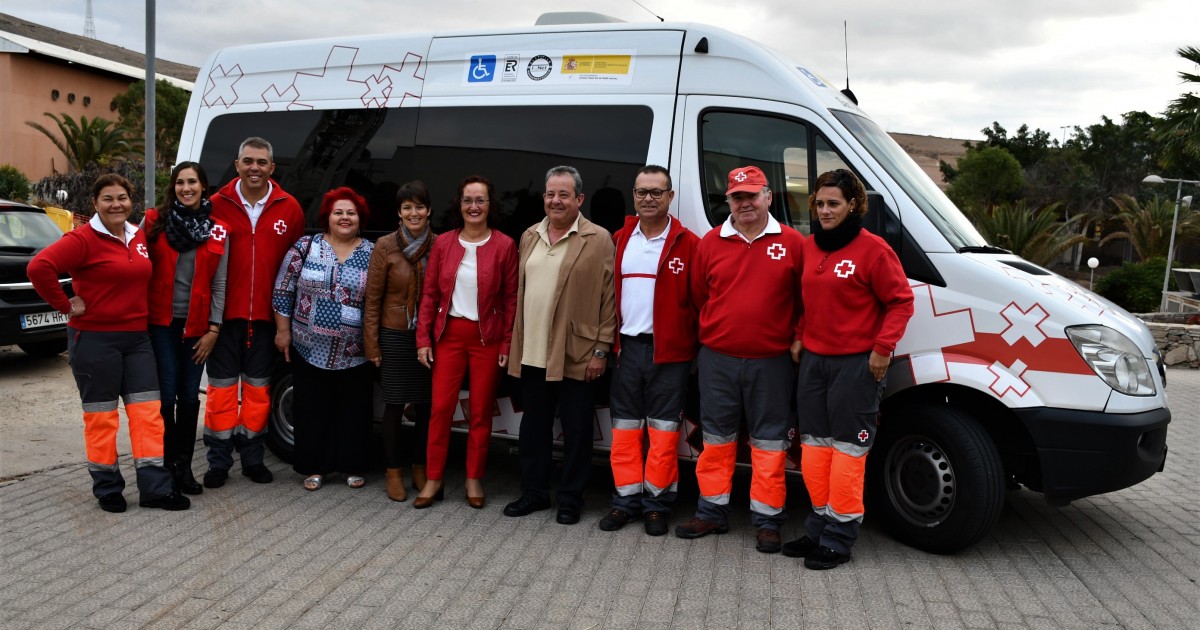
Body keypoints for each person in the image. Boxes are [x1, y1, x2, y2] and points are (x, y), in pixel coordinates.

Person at [27, 174, 190, 512]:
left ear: (131, 201)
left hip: (137, 339)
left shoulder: (138, 235)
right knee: (102, 418)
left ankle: (155, 489)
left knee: (148, 415)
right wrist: (66, 304)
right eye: (108, 199)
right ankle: (107, 488)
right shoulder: (83, 238)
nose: (117, 204)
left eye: (122, 198)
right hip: (95, 341)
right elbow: (39, 267)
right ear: (95, 204)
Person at [783, 169, 914, 569]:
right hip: (815, 364)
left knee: (847, 453)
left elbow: (901, 301)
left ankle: (839, 538)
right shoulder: (809, 247)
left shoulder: (873, 250)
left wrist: (882, 348)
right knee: (815, 452)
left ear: (853, 205)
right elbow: (808, 301)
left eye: (833, 203)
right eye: (819, 203)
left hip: (857, 366)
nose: (824, 210)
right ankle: (819, 526)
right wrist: (801, 334)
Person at [675, 165, 804, 553]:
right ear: (727, 200)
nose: (745, 203)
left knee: (769, 443)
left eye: (752, 195)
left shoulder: (794, 243)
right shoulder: (710, 243)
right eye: (737, 196)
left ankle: (768, 520)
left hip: (773, 362)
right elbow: (699, 297)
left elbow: (805, 301)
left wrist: (797, 338)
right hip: (719, 360)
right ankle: (711, 513)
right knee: (716, 440)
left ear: (768, 196)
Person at [503, 165, 616, 525]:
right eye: (551, 194)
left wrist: (601, 350)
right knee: (533, 429)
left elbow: (608, 300)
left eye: (564, 194)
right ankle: (533, 493)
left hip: (576, 354)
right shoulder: (529, 236)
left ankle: (570, 499)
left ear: (579, 199)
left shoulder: (598, 239)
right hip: (533, 351)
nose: (556, 200)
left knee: (577, 431)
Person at [598, 165, 700, 536]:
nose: (648, 198)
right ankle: (624, 503)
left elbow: (700, 304)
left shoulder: (688, 244)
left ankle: (657, 505)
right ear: (634, 195)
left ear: (670, 197)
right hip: (627, 350)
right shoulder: (621, 238)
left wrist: (691, 350)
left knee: (663, 434)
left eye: (657, 192)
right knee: (624, 433)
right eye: (642, 191)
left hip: (668, 354)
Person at [204, 137, 304, 488]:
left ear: (272, 167)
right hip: (223, 320)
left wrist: (286, 322)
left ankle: (252, 459)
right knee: (221, 394)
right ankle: (218, 462)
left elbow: (295, 269)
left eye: (261, 162)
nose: (254, 168)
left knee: (259, 394)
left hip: (266, 320)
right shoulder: (216, 204)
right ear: (237, 164)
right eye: (248, 161)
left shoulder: (289, 208)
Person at [414, 175, 518, 509]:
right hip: (449, 336)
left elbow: (512, 299)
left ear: (490, 205)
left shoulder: (505, 245)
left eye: (480, 200)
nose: (474, 206)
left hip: (487, 338)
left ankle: (474, 477)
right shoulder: (443, 243)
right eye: (468, 200)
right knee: (440, 409)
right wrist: (423, 339)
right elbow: (429, 295)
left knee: (481, 411)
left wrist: (506, 345)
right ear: (459, 205)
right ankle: (433, 478)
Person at [273, 187, 375, 490]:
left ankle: (351, 466)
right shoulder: (306, 246)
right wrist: (282, 331)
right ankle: (314, 467)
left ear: (360, 218)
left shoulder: (373, 252)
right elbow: (283, 289)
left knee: (354, 411)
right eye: (338, 212)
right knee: (312, 409)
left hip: (355, 350)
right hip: (309, 346)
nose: (345, 218)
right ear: (327, 217)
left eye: (351, 213)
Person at [144, 162, 229, 496]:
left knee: (190, 396)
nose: (186, 188)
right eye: (180, 182)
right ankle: (166, 466)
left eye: (192, 182)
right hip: (160, 324)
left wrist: (214, 329)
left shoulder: (218, 230)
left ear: (203, 186)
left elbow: (220, 284)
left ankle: (184, 467)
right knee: (166, 395)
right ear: (173, 187)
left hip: (198, 327)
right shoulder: (153, 222)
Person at [364, 181, 436, 501]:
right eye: (407, 207)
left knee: (424, 405)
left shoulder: (441, 244)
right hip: (393, 333)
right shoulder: (385, 245)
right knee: (393, 405)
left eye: (419, 206)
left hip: (428, 337)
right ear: (399, 212)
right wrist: (371, 342)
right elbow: (372, 298)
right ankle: (393, 470)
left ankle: (420, 467)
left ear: (429, 210)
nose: (414, 212)